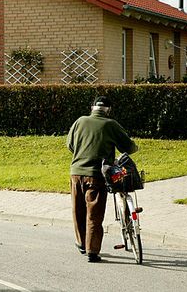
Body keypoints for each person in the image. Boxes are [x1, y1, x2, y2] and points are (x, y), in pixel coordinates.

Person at [66, 96, 138, 263]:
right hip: (97, 175)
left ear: (92, 108)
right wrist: (135, 146)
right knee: (94, 214)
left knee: (78, 210)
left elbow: (70, 145)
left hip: (76, 173)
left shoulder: (80, 121)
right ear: (108, 110)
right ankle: (92, 251)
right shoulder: (110, 124)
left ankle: (81, 243)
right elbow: (128, 147)